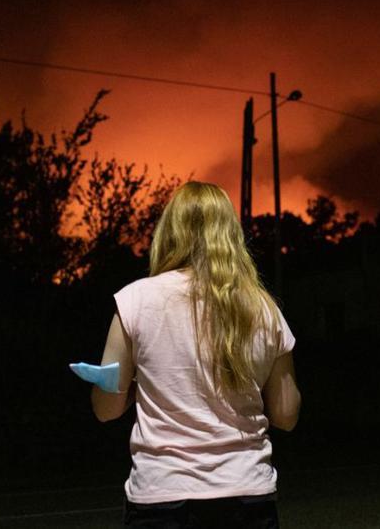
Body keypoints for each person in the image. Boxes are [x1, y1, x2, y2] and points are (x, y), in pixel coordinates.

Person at [91, 181, 301, 528]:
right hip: (246, 493)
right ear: (231, 234)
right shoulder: (263, 308)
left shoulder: (134, 301)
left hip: (162, 497)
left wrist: (135, 386)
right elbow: (286, 415)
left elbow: (106, 409)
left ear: (170, 232)